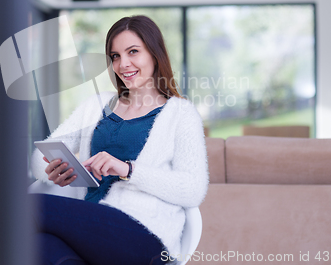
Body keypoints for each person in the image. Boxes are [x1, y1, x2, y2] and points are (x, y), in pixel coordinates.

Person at [31, 15, 209, 265]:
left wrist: (127, 169)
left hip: (144, 235)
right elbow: (40, 157)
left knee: (26, 207)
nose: (123, 64)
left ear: (154, 54)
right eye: (115, 56)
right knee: (40, 244)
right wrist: (55, 170)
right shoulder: (96, 104)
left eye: (133, 52)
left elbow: (193, 190)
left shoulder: (181, 113)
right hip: (91, 226)